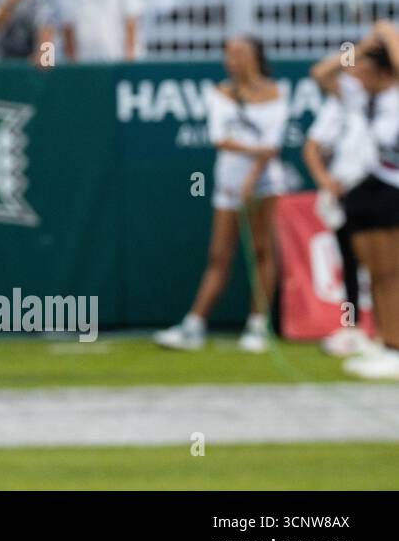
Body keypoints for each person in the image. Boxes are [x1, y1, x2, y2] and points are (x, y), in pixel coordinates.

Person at [155, 36, 289, 353]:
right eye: (228, 55)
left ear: (255, 56)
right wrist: (252, 157)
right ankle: (195, 324)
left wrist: (253, 176)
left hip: (266, 184)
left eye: (239, 54)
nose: (232, 61)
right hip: (228, 184)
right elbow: (220, 138)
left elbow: (273, 146)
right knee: (219, 254)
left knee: (262, 250)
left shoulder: (276, 93)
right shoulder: (220, 93)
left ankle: (258, 324)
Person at [310, 21, 399, 380]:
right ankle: (383, 340)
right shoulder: (360, 97)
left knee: (392, 273)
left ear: (381, 71)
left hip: (388, 186)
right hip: (359, 188)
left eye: (363, 67)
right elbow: (322, 73)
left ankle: (395, 344)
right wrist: (361, 47)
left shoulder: (395, 94)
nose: (356, 72)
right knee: (375, 275)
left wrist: (388, 35)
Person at [302, 82, 375, 358]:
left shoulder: (389, 102)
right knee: (351, 263)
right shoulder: (341, 104)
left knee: (385, 267)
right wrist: (325, 181)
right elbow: (312, 147)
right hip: (348, 194)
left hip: (384, 191)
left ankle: (387, 334)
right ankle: (353, 329)